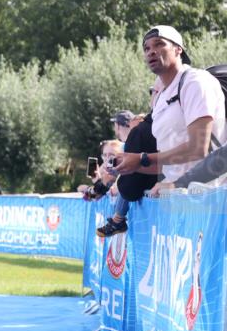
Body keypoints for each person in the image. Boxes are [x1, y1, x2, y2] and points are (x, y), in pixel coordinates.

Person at [114, 26, 226, 183]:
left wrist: (143, 158)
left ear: (178, 49)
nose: (151, 51)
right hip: (176, 194)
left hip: (209, 193)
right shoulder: (161, 98)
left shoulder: (195, 81)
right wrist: (130, 165)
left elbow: (198, 149)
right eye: (146, 48)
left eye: (159, 44)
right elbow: (166, 164)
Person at [96, 111, 158, 237]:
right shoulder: (132, 142)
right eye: (105, 155)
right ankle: (117, 220)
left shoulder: (131, 143)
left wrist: (97, 189)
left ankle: (117, 220)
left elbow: (111, 179)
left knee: (130, 172)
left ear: (118, 126)